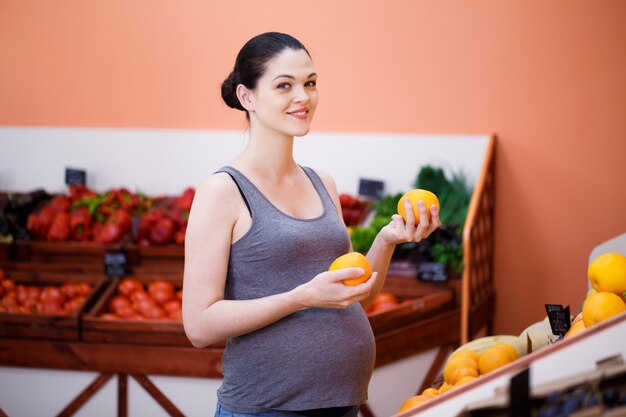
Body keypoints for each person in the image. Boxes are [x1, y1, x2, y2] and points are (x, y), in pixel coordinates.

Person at [182, 32, 441, 417]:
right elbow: (199, 326)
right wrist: (299, 297)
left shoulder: (323, 183)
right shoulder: (222, 190)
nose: (303, 97)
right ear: (247, 97)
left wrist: (387, 241)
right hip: (266, 409)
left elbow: (352, 296)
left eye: (310, 83)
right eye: (284, 85)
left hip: (342, 404)